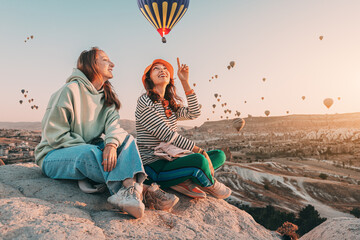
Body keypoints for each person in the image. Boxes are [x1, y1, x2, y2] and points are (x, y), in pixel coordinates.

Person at [34, 47, 175, 219]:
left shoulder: (107, 98)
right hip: (53, 154)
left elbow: (114, 127)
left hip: (86, 149)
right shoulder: (69, 90)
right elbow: (55, 135)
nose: (112, 64)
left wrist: (111, 144)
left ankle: (130, 190)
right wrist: (99, 149)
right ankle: (141, 190)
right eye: (106, 60)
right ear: (92, 64)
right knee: (91, 152)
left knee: (127, 139)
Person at [135, 58, 231, 199]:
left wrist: (185, 82)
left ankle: (182, 181)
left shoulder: (169, 105)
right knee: (199, 160)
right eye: (156, 68)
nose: (162, 70)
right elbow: (166, 134)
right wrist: (198, 149)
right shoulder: (145, 101)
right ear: (148, 78)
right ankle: (209, 184)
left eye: (165, 68)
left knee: (219, 155)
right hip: (153, 166)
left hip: (172, 159)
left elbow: (194, 113)